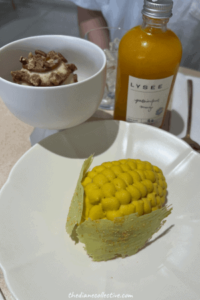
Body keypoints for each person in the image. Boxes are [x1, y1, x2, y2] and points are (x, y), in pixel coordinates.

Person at [70, 0, 200, 71]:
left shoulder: (172, 42)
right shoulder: (132, 37)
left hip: (185, 73)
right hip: (117, 67)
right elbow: (89, 5)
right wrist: (104, 65)